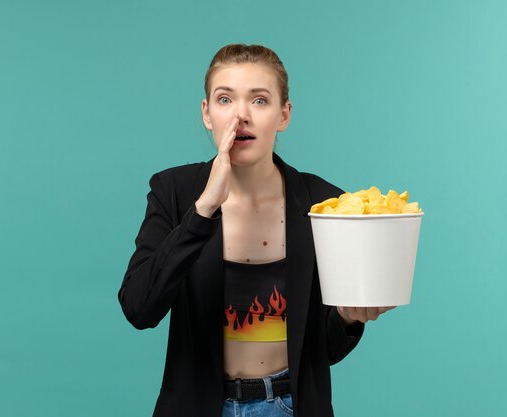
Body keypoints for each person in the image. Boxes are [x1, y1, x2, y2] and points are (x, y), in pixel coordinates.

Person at [118, 43, 395, 417]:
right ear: (206, 113)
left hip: (290, 406)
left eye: (260, 101)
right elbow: (139, 308)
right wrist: (203, 211)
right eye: (225, 99)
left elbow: (322, 352)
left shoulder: (324, 204)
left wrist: (348, 317)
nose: (241, 116)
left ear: (284, 115)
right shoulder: (174, 192)